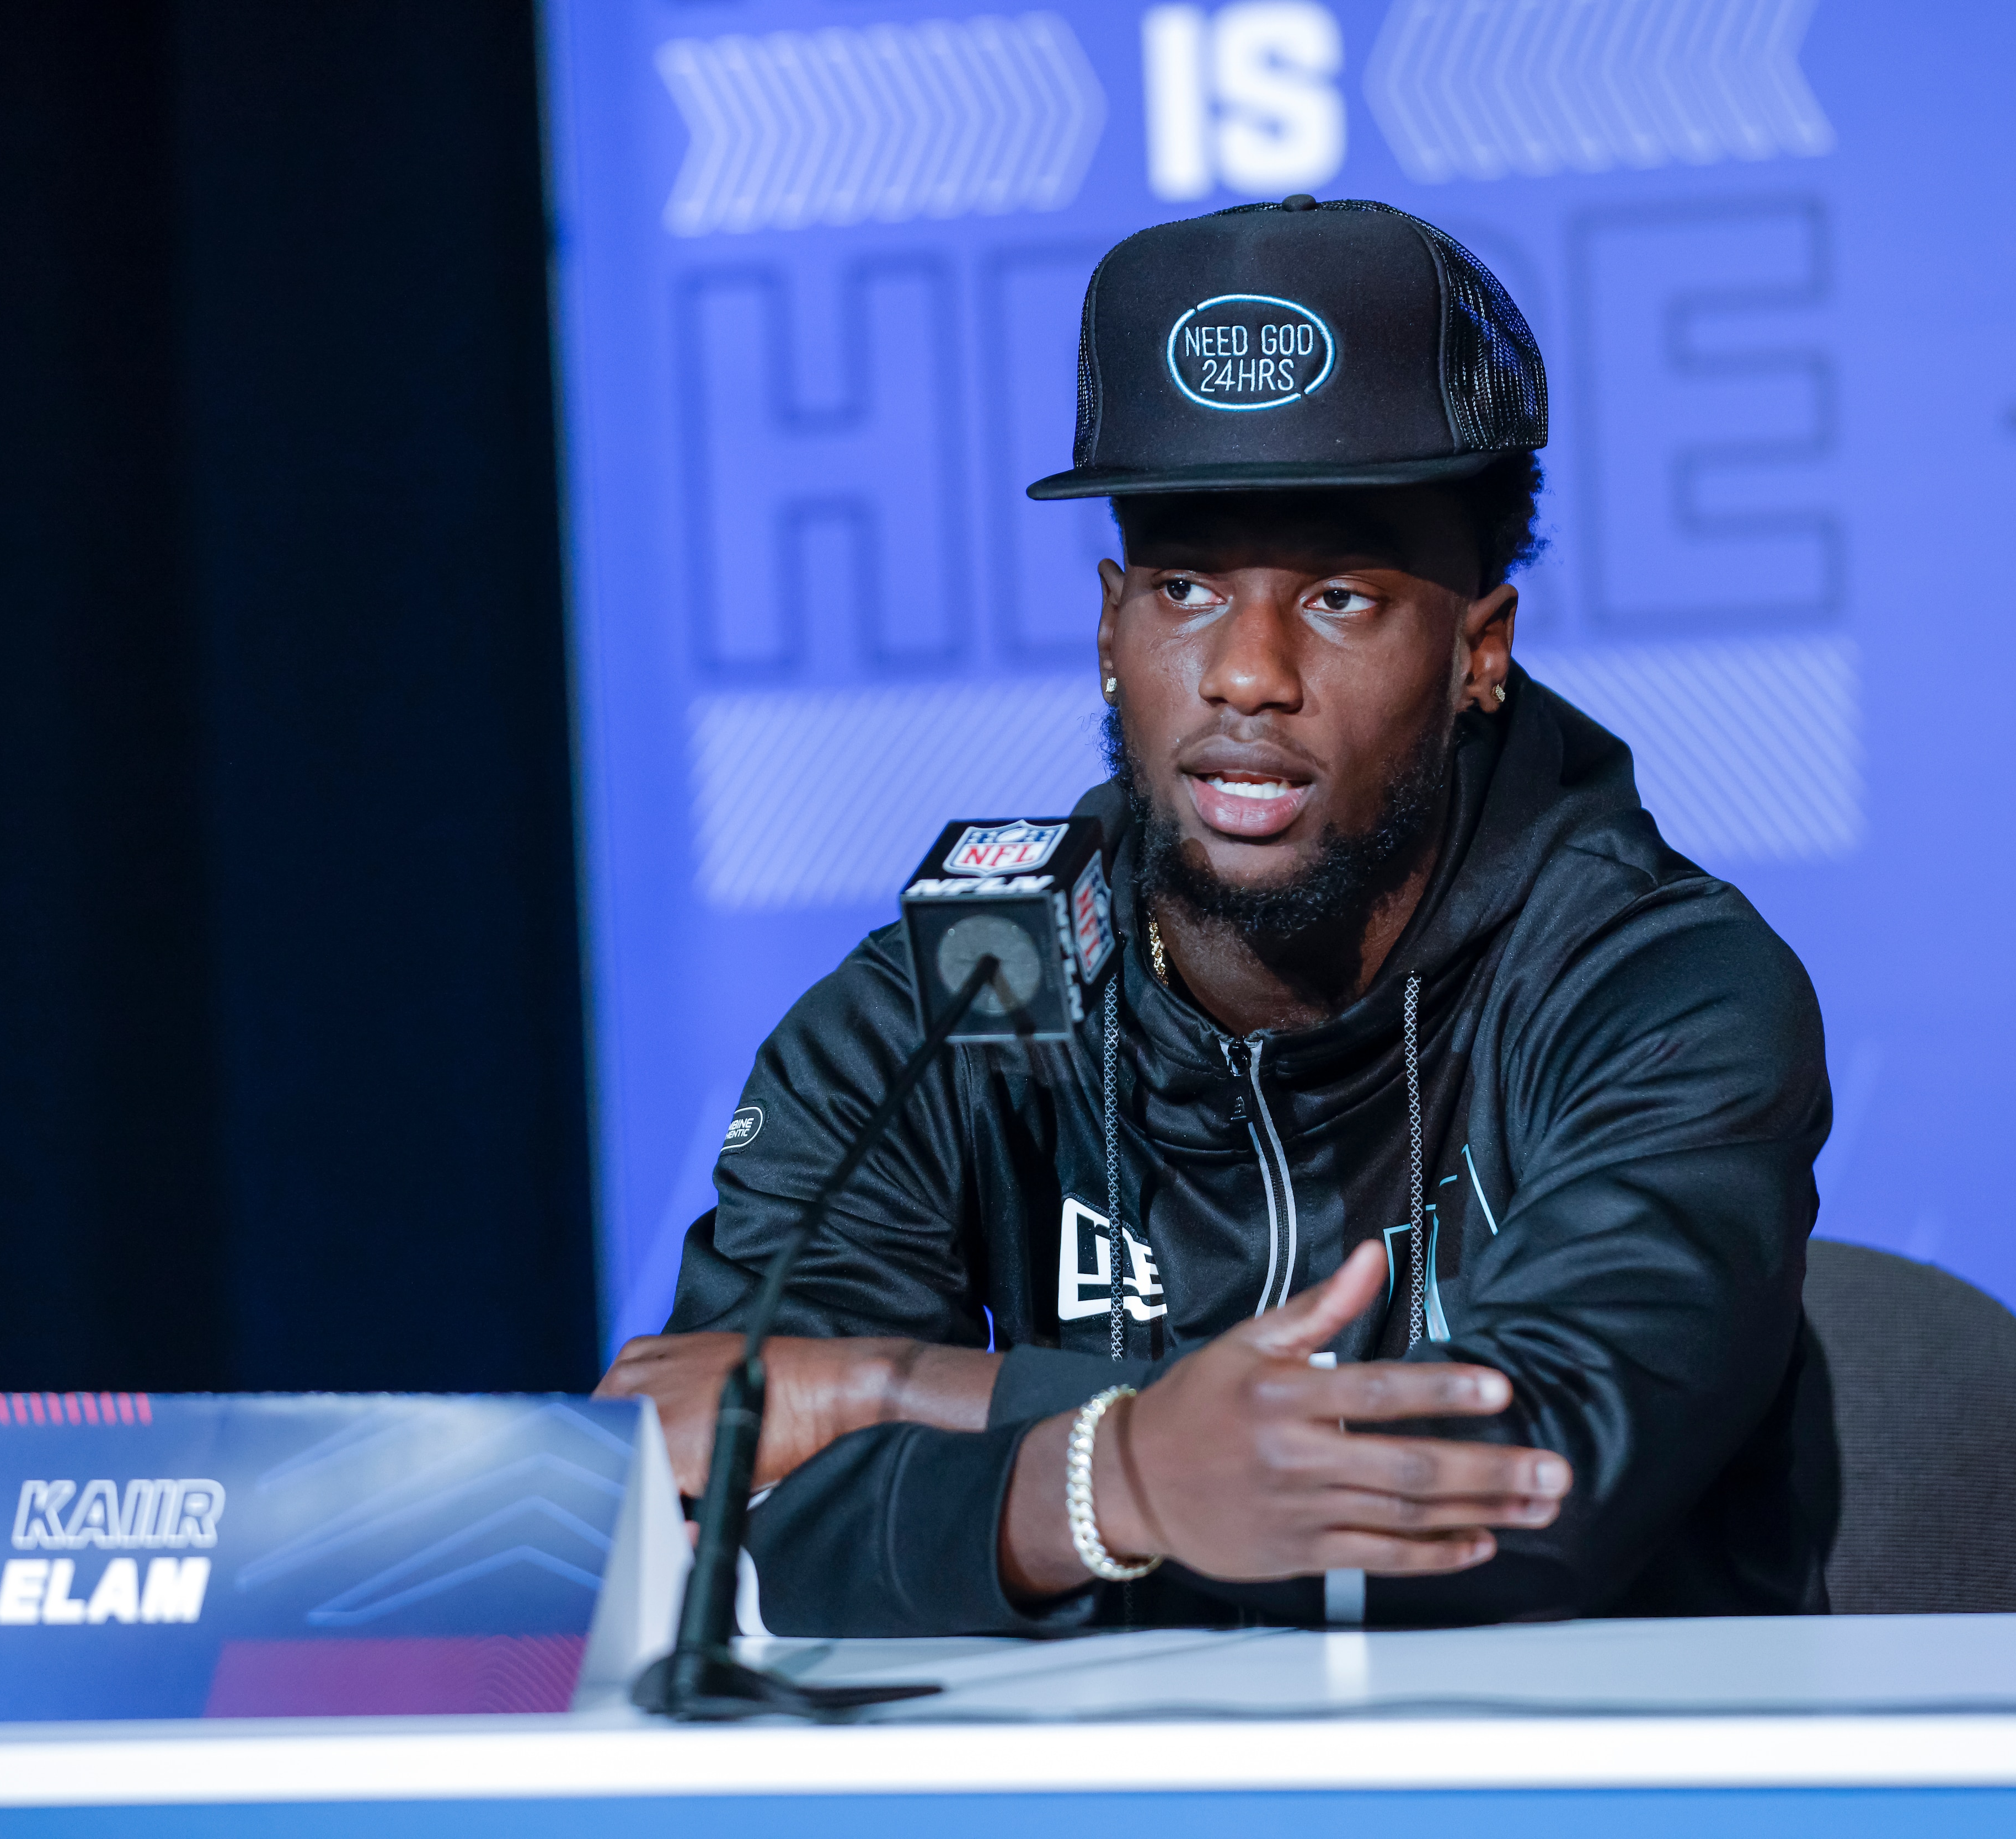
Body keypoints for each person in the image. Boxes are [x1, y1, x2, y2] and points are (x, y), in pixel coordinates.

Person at [598, 196, 1836, 1634]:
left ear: (1479, 651)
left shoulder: (1663, 990)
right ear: (1113, 629)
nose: (1246, 674)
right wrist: (1114, 1474)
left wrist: (971, 1421)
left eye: (1342, 598)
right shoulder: (956, 995)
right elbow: (709, 1502)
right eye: (1186, 586)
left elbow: (1525, 1502)